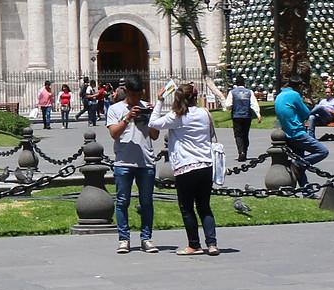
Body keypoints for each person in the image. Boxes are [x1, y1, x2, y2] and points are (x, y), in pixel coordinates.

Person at [151, 82, 221, 256]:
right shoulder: (205, 113)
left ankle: (194, 245)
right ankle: (212, 244)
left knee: (187, 207)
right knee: (204, 205)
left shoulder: (177, 116)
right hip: (205, 164)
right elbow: (210, 134)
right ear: (195, 97)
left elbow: (153, 123)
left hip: (185, 166)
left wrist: (159, 101)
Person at [107, 81, 159, 253]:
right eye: (133, 95)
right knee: (122, 201)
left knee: (146, 202)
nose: (137, 98)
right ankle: (124, 239)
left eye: (139, 95)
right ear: (126, 92)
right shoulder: (115, 109)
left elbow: (155, 135)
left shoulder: (147, 107)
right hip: (123, 162)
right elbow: (114, 134)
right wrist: (128, 117)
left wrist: (150, 116)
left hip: (146, 161)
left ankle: (146, 238)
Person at [273, 78, 328, 190]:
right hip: (297, 132)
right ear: (298, 87)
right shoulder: (294, 95)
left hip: (287, 133)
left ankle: (307, 191)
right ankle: (298, 164)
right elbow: (306, 113)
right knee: (322, 151)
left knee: (300, 162)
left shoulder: (279, 96)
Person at [226, 76, 257, 159]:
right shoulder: (249, 92)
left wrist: (230, 108)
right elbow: (254, 104)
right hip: (247, 116)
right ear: (244, 83)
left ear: (236, 84)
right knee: (245, 134)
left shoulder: (232, 92)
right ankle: (245, 151)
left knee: (238, 135)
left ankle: (241, 152)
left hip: (236, 116)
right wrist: (258, 114)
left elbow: (228, 104)